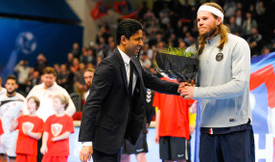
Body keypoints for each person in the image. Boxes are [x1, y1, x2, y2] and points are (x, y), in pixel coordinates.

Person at [79, 18, 180, 162]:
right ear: (123, 39)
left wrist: (181, 88)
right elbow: (92, 103)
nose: (141, 43)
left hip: (119, 137)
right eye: (137, 39)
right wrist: (86, 142)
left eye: (142, 39)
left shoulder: (134, 62)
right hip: (103, 140)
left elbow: (156, 83)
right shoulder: (108, 66)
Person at [179, 2, 254, 162]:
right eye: (198, 20)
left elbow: (239, 86)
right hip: (207, 130)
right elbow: (199, 85)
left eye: (205, 18)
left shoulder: (238, 44)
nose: (200, 23)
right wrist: (192, 92)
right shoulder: (196, 50)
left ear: (218, 20)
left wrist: (197, 92)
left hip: (235, 128)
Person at [24, 67, 76, 162]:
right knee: (36, 153)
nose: (48, 80)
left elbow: (71, 108)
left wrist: (59, 120)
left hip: (52, 128)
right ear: (42, 77)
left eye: (50, 77)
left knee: (49, 154)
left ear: (55, 78)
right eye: (46, 77)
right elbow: (25, 105)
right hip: (36, 126)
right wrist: (30, 119)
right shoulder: (36, 89)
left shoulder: (61, 90)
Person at [153, 75, 196, 162]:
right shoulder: (160, 83)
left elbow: (191, 107)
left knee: (182, 160)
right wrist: (157, 131)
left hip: (180, 130)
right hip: (164, 131)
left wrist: (192, 123)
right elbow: (159, 109)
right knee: (167, 160)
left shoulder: (186, 83)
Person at [0, 75, 25, 162]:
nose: (10, 86)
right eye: (8, 84)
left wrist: (16, 125)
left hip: (14, 134)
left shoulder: (21, 99)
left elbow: (23, 117)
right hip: (1, 133)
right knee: (1, 156)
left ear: (16, 86)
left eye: (12, 84)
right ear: (5, 85)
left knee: (13, 158)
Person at [40, 94, 74, 162]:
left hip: (61, 151)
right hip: (49, 150)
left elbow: (67, 134)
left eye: (56, 102)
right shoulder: (50, 118)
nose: (54, 104)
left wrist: (56, 138)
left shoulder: (68, 119)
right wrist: (44, 145)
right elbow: (45, 132)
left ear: (63, 104)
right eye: (53, 102)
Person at [10, 96, 43, 162]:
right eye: (28, 102)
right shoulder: (21, 118)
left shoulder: (39, 120)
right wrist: (13, 126)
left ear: (37, 106)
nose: (29, 104)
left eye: (32, 102)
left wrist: (28, 132)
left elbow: (38, 136)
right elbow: (10, 130)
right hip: (20, 149)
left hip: (31, 151)